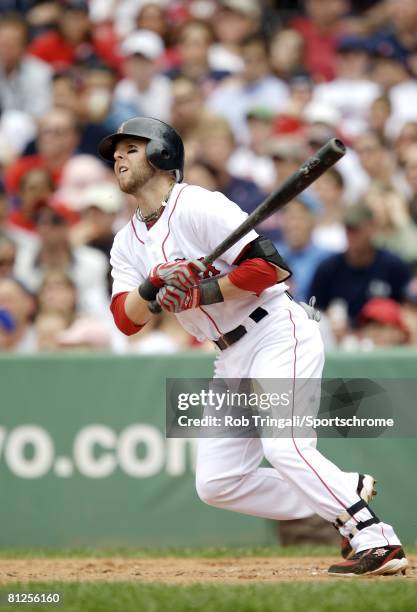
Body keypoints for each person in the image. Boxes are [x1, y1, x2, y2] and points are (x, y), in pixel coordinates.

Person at [101, 115, 408, 576]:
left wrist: (200, 291)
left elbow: (270, 268)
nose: (119, 156)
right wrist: (152, 289)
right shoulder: (127, 243)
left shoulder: (199, 206)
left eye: (132, 147)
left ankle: (376, 539)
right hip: (229, 353)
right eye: (116, 151)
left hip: (274, 329)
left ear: (163, 154)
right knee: (217, 483)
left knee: (284, 445)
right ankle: (344, 487)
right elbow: (125, 319)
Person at [309, 203, 411, 324]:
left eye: (356, 229)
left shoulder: (393, 266)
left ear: (372, 228)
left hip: (383, 337)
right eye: (347, 229)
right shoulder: (328, 268)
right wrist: (327, 319)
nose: (351, 235)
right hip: (338, 338)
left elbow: (408, 310)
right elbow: (313, 311)